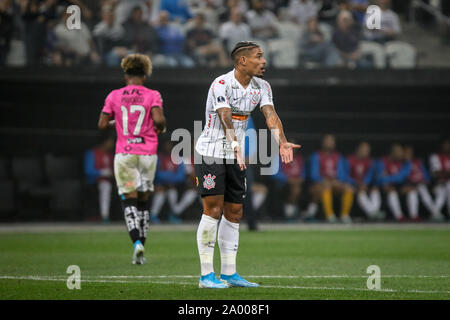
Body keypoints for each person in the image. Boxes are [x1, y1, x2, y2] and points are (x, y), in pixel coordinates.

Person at [194, 41, 301, 288]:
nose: (264, 61)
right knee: (212, 210)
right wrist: (234, 146)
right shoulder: (221, 83)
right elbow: (224, 116)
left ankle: (230, 273)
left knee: (235, 213)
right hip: (211, 153)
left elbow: (270, 115)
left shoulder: (262, 86)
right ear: (242, 60)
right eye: (258, 56)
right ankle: (206, 275)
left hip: (236, 156)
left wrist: (282, 142)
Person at [98, 53, 167, 264]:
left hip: (125, 154)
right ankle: (141, 250)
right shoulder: (152, 94)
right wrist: (160, 128)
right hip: (147, 154)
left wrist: (117, 122)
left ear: (126, 75)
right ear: (145, 75)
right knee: (144, 201)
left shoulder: (114, 95)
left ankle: (135, 243)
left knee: (129, 198)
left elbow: (102, 124)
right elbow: (159, 120)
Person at [309, 134, 354, 223]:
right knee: (326, 186)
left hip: (335, 183)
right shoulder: (316, 156)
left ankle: (344, 215)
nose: (329, 143)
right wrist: (325, 181)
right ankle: (330, 216)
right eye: (327, 141)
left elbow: (342, 174)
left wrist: (336, 181)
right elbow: (313, 175)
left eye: (331, 141)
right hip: (321, 183)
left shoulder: (338, 156)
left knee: (349, 188)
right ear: (323, 143)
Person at [403, 145, 444, 221]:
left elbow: (426, 175)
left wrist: (427, 181)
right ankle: (415, 216)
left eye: (410, 152)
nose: (409, 154)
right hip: (410, 185)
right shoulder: (403, 163)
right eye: (407, 152)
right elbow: (403, 176)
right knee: (415, 192)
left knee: (427, 189)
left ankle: (435, 212)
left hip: (422, 184)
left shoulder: (417, 162)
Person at [150, 140, 187, 224]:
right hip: (160, 185)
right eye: (166, 145)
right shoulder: (158, 157)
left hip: (173, 185)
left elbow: (181, 176)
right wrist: (166, 180)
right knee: (160, 193)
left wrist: (170, 181)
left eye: (170, 146)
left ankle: (173, 215)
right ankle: (153, 215)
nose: (168, 148)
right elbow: (156, 173)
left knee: (172, 192)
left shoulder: (178, 158)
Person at [347, 142, 384, 221]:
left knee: (375, 190)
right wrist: (356, 183)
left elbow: (370, 175)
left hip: (365, 185)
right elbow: (345, 176)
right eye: (364, 150)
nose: (365, 152)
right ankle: (372, 213)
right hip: (353, 185)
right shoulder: (350, 160)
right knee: (361, 192)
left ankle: (374, 212)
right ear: (358, 149)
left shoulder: (370, 162)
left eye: (367, 150)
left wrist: (365, 183)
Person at [376, 143, 411, 222]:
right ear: (392, 152)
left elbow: (401, 178)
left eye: (401, 151)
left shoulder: (405, 162)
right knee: (392, 192)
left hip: (401, 186)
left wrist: (388, 177)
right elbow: (379, 179)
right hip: (385, 188)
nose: (401, 153)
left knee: (412, 191)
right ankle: (399, 216)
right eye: (398, 151)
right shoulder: (382, 161)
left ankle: (414, 216)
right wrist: (391, 179)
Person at [272, 142, 306, 222]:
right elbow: (274, 174)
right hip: (283, 184)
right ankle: (289, 214)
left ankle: (293, 212)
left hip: (297, 183)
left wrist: (300, 179)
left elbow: (303, 174)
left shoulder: (299, 159)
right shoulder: (278, 158)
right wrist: (287, 179)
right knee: (295, 188)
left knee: (297, 187)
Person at [84, 135, 115, 223]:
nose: (112, 144)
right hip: (94, 181)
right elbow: (88, 171)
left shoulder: (109, 155)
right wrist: (102, 172)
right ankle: (104, 216)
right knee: (105, 186)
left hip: (109, 181)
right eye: (110, 142)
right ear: (104, 142)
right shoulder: (91, 153)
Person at [429, 138, 450, 221]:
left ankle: (435, 212)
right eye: (446, 145)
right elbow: (437, 173)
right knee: (446, 187)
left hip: (446, 184)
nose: (448, 146)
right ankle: (435, 212)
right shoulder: (435, 156)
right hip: (437, 184)